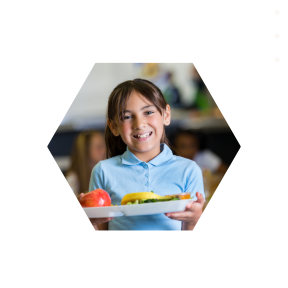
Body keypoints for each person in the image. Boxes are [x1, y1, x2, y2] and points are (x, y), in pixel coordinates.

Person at [79, 79, 205, 230]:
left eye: (148, 112)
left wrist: (193, 222)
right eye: (127, 117)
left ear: (166, 115)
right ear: (113, 127)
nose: (139, 124)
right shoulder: (103, 171)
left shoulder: (189, 170)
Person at [66, 130, 106, 196]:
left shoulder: (106, 172)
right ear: (86, 151)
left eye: (105, 145)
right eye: (99, 147)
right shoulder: (72, 180)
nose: (105, 150)